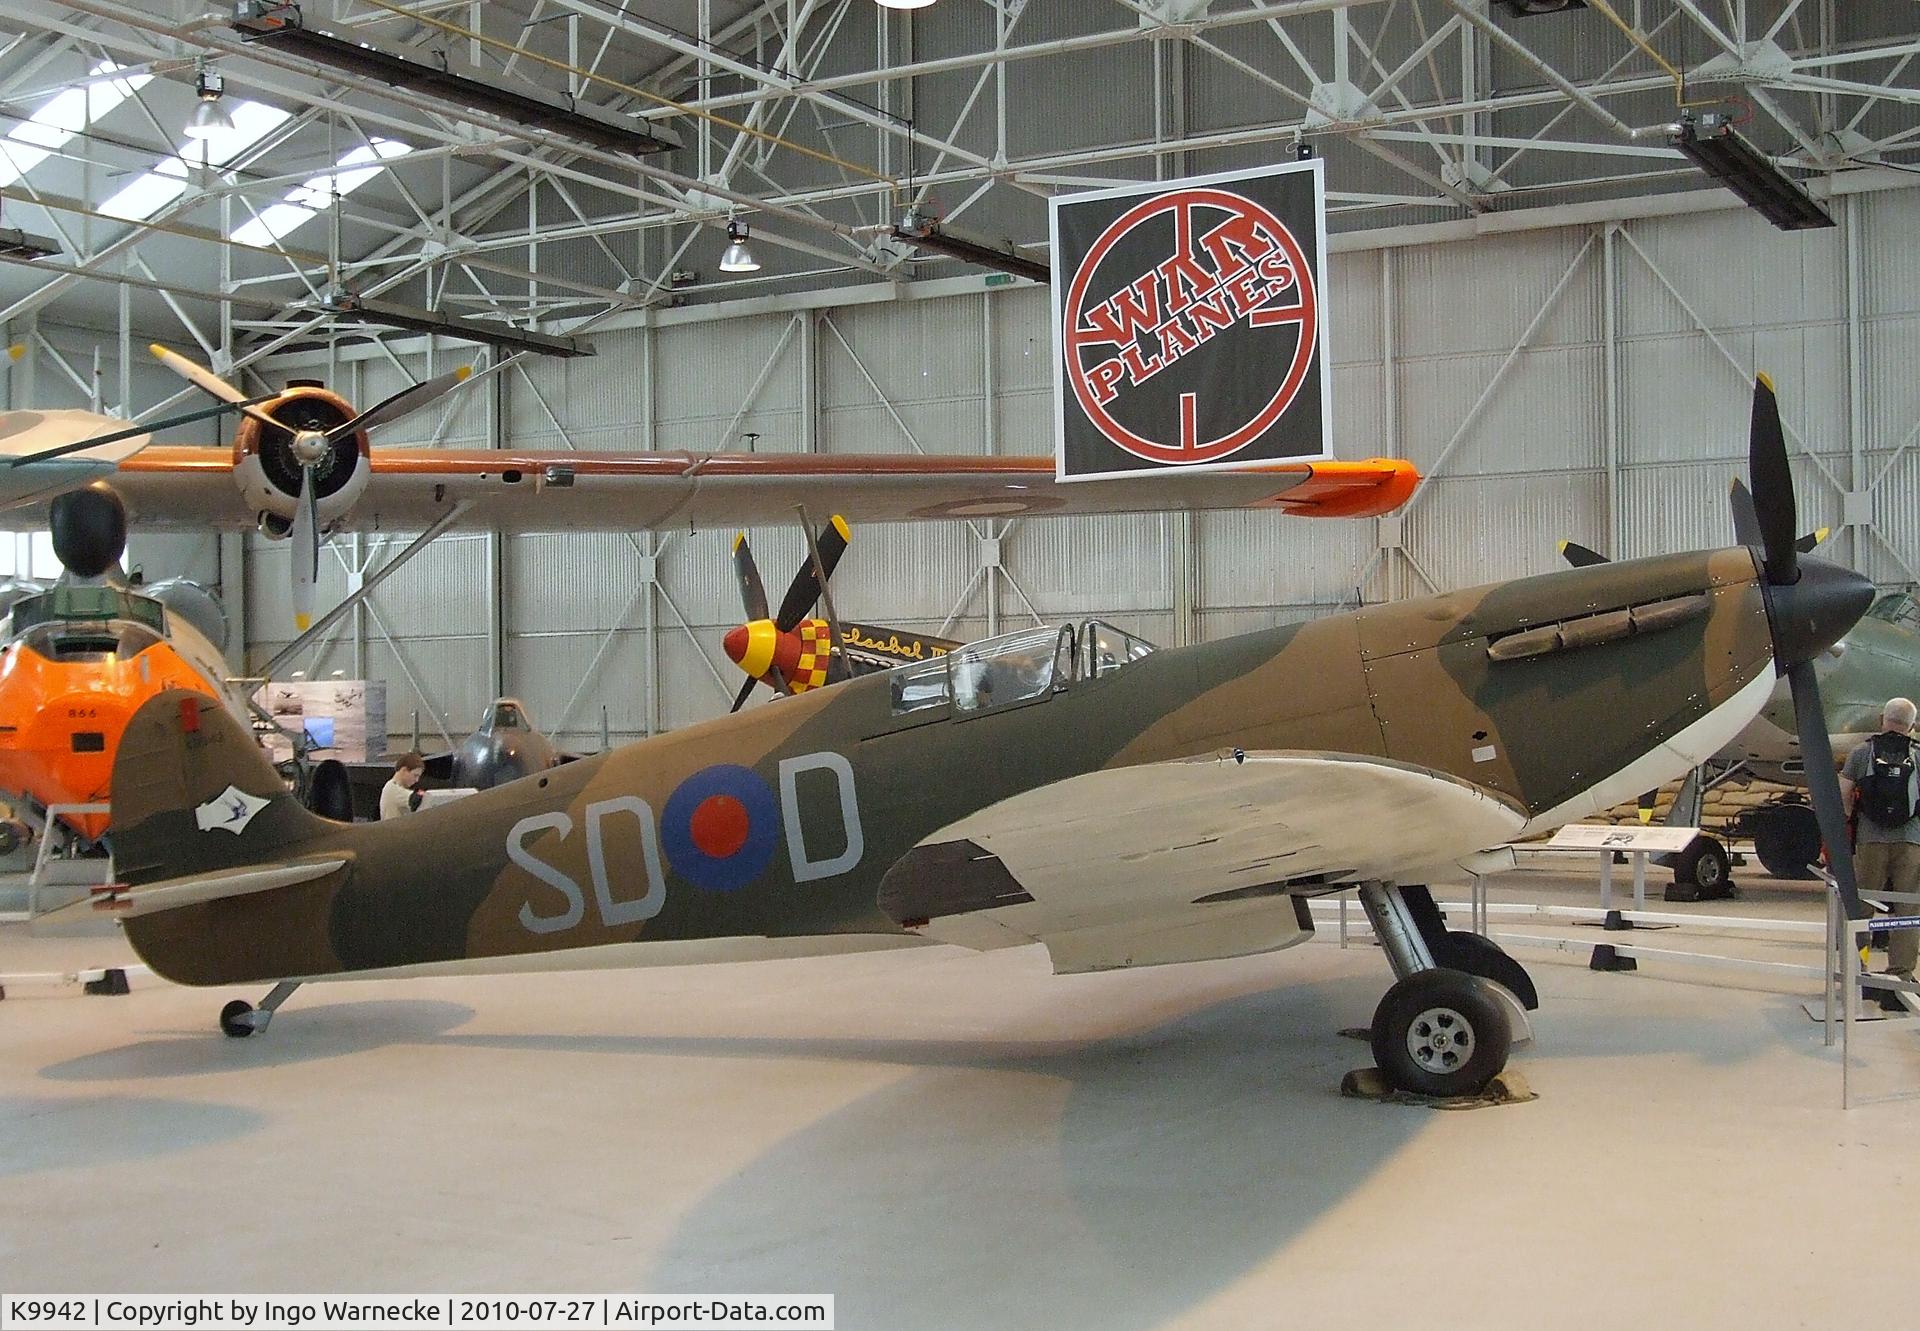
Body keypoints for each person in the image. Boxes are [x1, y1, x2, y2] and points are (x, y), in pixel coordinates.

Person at [1839, 697, 1920, 998]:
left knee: (1863, 907)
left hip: (1871, 839)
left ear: (1881, 719)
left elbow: (1844, 794)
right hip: (1910, 841)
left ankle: (1858, 971)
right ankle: (1901, 976)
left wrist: (1850, 823)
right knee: (1907, 907)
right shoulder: (1918, 756)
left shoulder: (1862, 752)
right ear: (1912, 725)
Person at [379, 752, 425, 821]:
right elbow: (416, 799)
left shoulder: (394, 787)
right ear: (404, 770)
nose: (417, 780)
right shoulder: (393, 789)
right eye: (415, 775)